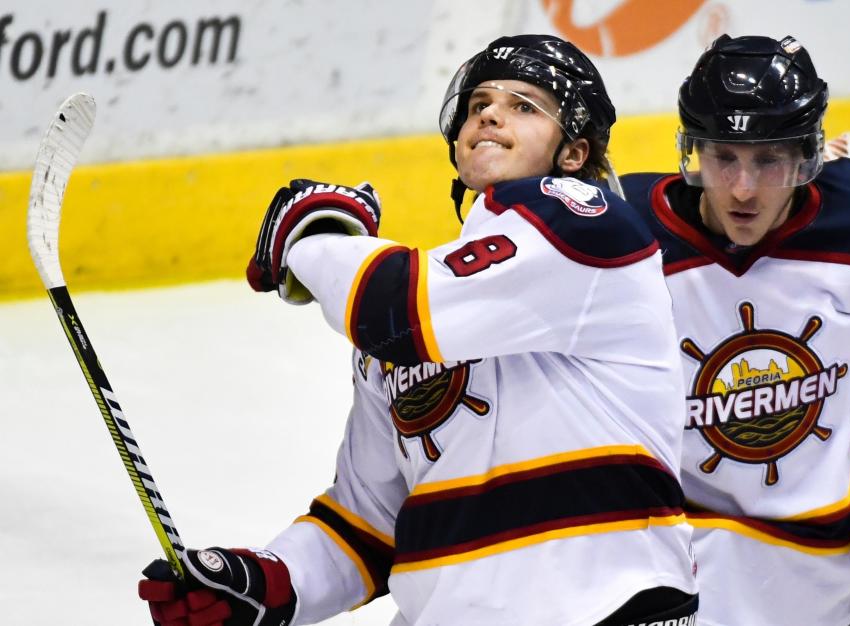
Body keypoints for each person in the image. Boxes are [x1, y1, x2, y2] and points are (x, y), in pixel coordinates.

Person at [137, 34, 699, 626]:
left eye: (525, 105)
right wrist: (267, 584)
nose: (490, 112)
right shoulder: (413, 328)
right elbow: (370, 521)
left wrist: (311, 238)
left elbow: (394, 305)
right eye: (480, 102)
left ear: (574, 153)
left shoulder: (590, 229)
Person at [620, 34, 850, 626]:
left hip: (817, 579)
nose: (744, 189)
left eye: (769, 159)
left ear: (806, 156)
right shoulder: (620, 234)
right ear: (693, 151)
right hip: (664, 573)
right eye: (724, 157)